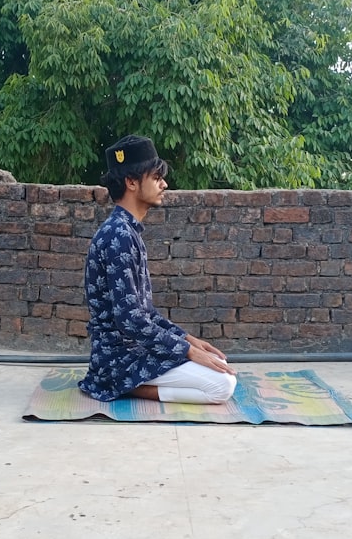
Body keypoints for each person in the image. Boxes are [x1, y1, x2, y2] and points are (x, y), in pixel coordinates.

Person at [79, 135, 237, 404]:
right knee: (222, 385)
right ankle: (118, 385)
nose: (164, 184)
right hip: (119, 357)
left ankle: (118, 382)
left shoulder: (127, 231)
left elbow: (146, 313)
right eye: (155, 177)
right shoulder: (118, 236)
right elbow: (130, 320)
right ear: (131, 182)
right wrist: (187, 352)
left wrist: (190, 341)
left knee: (219, 362)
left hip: (135, 348)